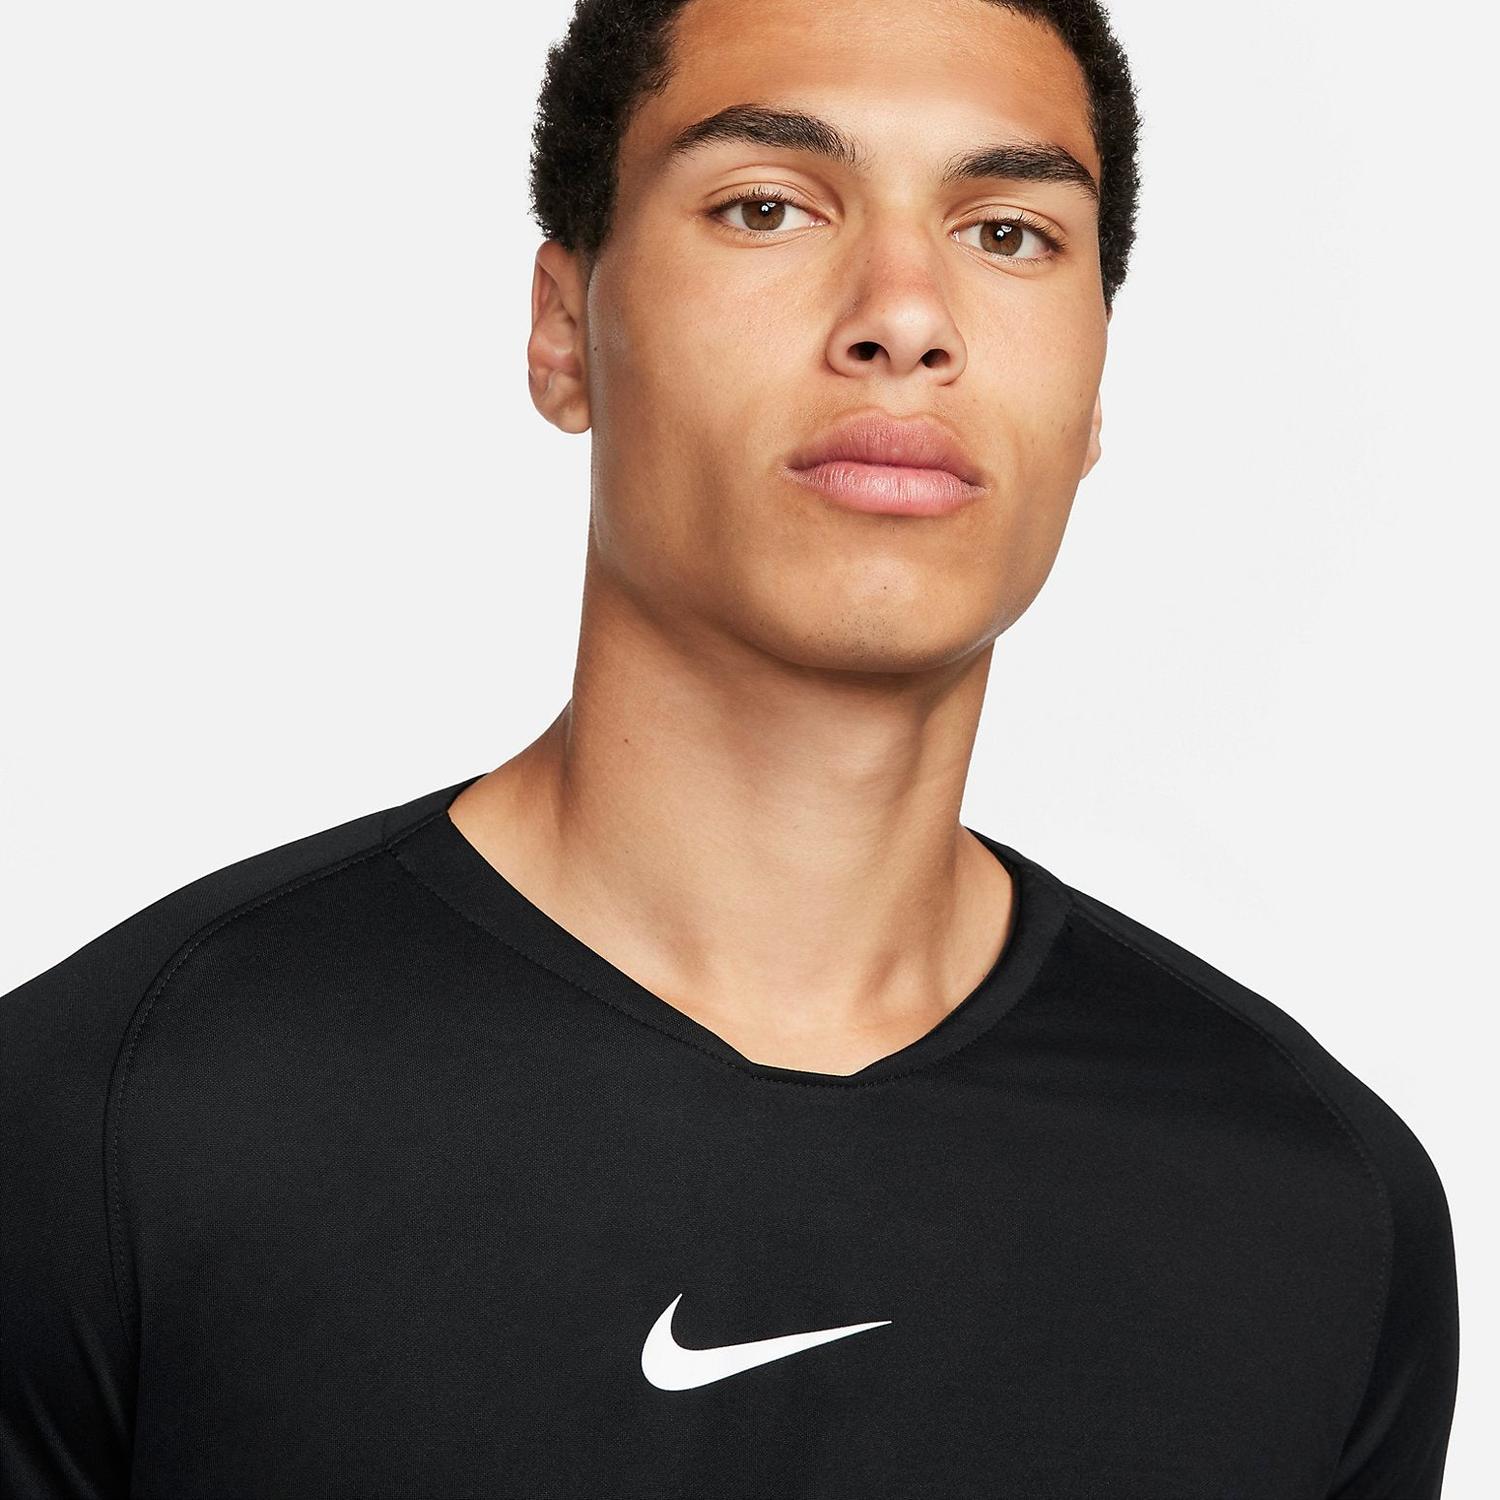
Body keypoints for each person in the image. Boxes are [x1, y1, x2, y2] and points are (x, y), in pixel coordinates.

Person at [1, 0, 1460, 1494]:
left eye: (1009, 233)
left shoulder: (1319, 1217)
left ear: (1093, 386)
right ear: (564, 331)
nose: (906, 314)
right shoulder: (106, 1126)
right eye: (767, 207)